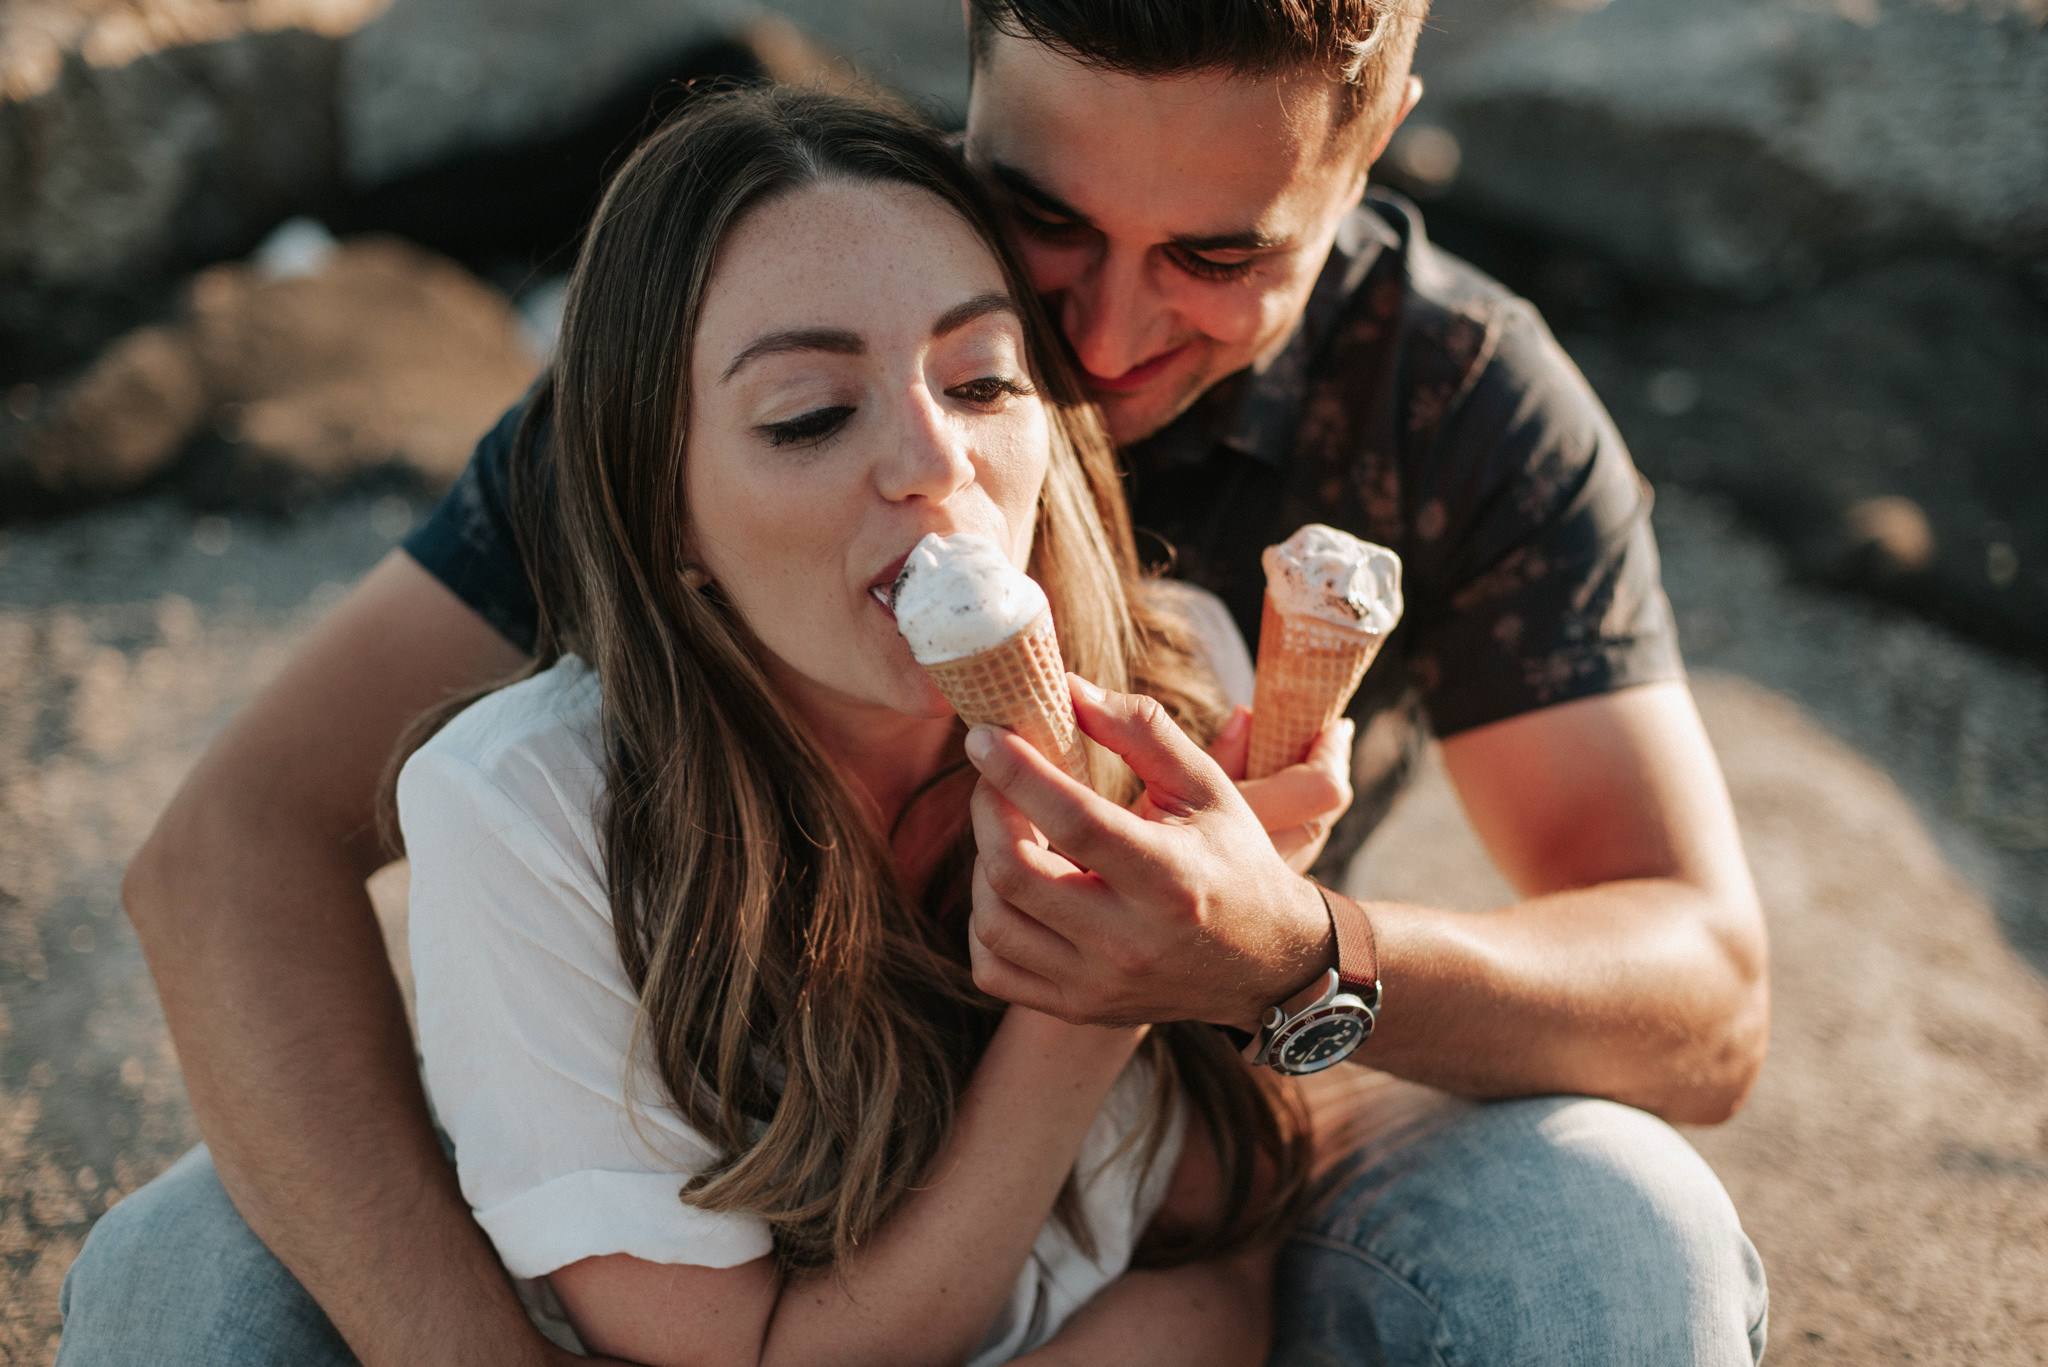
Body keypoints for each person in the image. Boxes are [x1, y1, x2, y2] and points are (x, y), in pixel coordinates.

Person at [63, 2, 1770, 1364]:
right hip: (733, 1171)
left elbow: (1699, 990)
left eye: (1216, 258)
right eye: (1039, 219)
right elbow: (231, 849)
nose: (1099, 343)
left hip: (1156, 1156)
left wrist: (1289, 954)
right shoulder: (776, 297)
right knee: (189, 1264)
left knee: (1606, 1219)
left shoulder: (1448, 405)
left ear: (1371, 139)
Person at [398, 86, 1322, 1365]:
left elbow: (1213, 1253)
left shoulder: (1184, 686)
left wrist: (1272, 953)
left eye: (982, 378)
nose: (934, 459)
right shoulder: (522, 810)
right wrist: (1093, 1004)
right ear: (663, 506)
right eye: (810, 414)